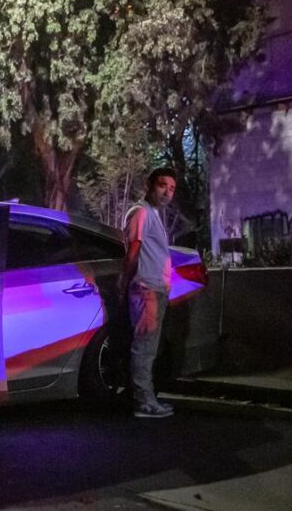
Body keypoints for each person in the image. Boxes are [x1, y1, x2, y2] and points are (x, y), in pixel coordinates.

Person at [120, 167, 177, 418]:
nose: (167, 192)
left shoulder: (154, 214)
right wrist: (124, 279)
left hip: (156, 288)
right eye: (162, 185)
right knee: (144, 348)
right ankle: (144, 402)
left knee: (148, 347)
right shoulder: (141, 212)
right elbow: (134, 248)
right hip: (146, 288)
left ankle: (147, 398)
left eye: (172, 188)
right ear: (149, 186)